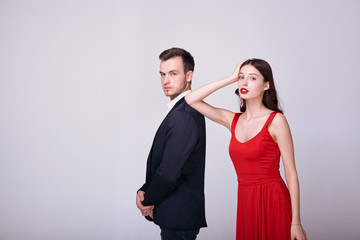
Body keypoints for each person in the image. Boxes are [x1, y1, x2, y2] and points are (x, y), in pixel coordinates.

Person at [185, 59, 307, 240]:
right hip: (246, 201)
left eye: (252, 78)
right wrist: (230, 78)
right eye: (241, 78)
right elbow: (191, 99)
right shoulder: (232, 120)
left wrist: (296, 222)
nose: (243, 82)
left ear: (266, 85)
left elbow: (291, 173)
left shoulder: (276, 121)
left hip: (273, 199)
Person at [136, 47, 207, 240]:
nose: (165, 81)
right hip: (176, 215)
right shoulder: (181, 111)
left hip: (179, 216)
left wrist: (147, 200)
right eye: (162, 74)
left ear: (189, 75)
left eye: (173, 74)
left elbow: (168, 173)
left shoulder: (184, 114)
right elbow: (166, 163)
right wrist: (144, 190)